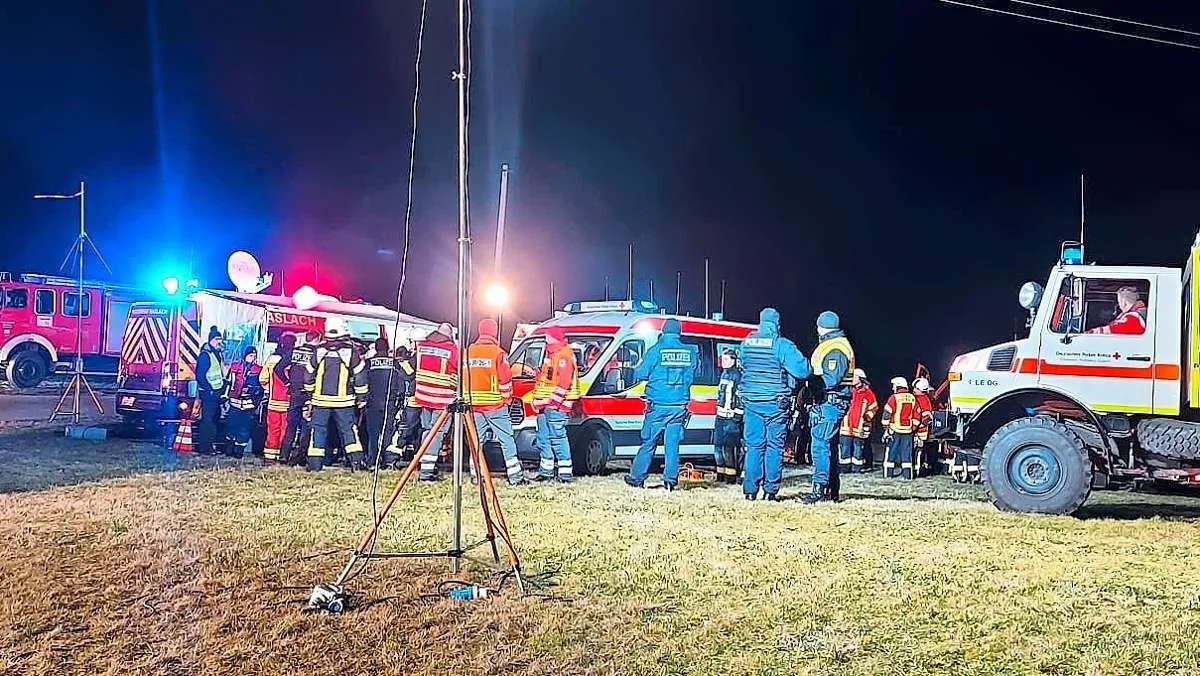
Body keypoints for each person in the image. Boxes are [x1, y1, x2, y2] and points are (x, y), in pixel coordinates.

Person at [737, 308, 812, 501]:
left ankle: (750, 491)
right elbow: (803, 371)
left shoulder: (746, 343)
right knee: (774, 447)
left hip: (752, 402)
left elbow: (742, 366)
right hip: (775, 403)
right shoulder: (782, 345)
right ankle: (770, 491)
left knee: (753, 446)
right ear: (777, 324)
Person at [625, 318, 698, 491]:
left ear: (663, 331)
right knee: (672, 445)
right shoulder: (690, 352)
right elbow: (693, 373)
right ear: (678, 332)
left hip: (658, 406)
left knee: (648, 441)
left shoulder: (656, 350)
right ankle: (670, 481)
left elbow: (641, 374)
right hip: (679, 406)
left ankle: (637, 477)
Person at [802, 310, 856, 504]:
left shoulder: (835, 347)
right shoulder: (834, 344)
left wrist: (811, 383)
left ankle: (820, 490)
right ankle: (831, 491)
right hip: (831, 401)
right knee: (828, 446)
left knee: (820, 446)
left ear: (822, 326)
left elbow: (831, 378)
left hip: (830, 401)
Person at [466, 318, 525, 485]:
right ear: (494, 332)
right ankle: (515, 476)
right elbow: (505, 380)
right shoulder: (497, 353)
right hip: (494, 404)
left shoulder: (467, 352)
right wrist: (507, 399)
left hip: (474, 406)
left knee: (477, 440)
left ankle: (476, 475)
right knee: (506, 439)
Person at [304, 318, 368, 471]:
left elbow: (308, 374)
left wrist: (310, 392)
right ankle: (356, 464)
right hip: (344, 401)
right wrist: (362, 397)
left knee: (318, 430)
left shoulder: (318, 350)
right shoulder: (351, 351)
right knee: (348, 431)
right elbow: (360, 376)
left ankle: (314, 465)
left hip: (320, 400)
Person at [531, 326, 580, 482]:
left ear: (554, 337)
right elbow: (549, 378)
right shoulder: (552, 354)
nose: (545, 338)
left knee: (558, 437)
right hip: (545, 405)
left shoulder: (564, 355)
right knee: (543, 438)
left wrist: (553, 402)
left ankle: (565, 474)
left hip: (555, 405)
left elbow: (564, 382)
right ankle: (546, 471)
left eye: (547, 336)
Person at [414, 323, 459, 481]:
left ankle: (422, 464)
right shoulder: (452, 350)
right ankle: (426, 471)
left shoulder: (422, 346)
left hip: (423, 396)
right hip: (441, 398)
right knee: (437, 433)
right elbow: (458, 372)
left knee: (427, 430)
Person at [282, 330, 320, 466]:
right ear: (317, 338)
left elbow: (278, 368)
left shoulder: (294, 351)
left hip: (294, 392)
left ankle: (284, 455)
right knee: (306, 426)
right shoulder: (317, 353)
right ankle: (300, 457)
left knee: (291, 426)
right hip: (309, 394)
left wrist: (288, 382)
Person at [260, 334, 295, 464]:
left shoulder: (271, 359)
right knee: (285, 430)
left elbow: (262, 379)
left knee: (272, 429)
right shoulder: (291, 359)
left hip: (273, 402)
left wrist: (270, 390)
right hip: (288, 402)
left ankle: (269, 457)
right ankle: (282, 454)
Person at [384, 345, 421, 465]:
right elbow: (408, 374)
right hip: (418, 399)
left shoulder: (414, 359)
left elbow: (407, 374)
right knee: (408, 429)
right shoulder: (411, 361)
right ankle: (393, 457)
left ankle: (394, 457)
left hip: (414, 399)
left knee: (407, 429)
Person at [224, 346, 263, 459]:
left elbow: (259, 387)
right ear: (245, 355)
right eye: (251, 355)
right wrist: (226, 396)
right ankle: (229, 448)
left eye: (254, 356)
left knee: (244, 429)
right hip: (235, 402)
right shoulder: (235, 367)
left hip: (248, 404)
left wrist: (252, 391)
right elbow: (228, 382)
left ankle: (239, 451)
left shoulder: (258, 369)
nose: (253, 358)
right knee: (231, 426)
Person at [713, 349, 744, 484]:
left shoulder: (737, 376)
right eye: (722, 359)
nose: (723, 362)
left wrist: (737, 416)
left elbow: (740, 397)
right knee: (718, 446)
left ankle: (731, 477)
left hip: (731, 418)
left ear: (733, 360)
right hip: (720, 416)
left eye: (726, 359)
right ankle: (720, 475)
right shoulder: (723, 374)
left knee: (729, 448)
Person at [193, 326, 225, 455]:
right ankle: (205, 447)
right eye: (218, 339)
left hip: (215, 393)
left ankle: (209, 445)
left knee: (214, 420)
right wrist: (209, 389)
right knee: (208, 421)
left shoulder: (216, 354)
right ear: (211, 340)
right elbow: (200, 375)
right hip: (208, 394)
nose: (220, 342)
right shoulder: (205, 355)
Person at [838, 368, 877, 474]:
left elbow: (874, 407)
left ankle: (856, 469)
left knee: (858, 449)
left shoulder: (868, 393)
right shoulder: (847, 390)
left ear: (861, 379)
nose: (852, 379)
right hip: (846, 425)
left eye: (854, 377)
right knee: (844, 448)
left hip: (859, 427)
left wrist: (867, 418)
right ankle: (844, 469)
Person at [881, 377, 919, 479]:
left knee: (891, 454)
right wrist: (913, 428)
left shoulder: (894, 398)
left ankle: (888, 475)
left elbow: (887, 414)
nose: (893, 388)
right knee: (907, 454)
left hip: (895, 430)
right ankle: (907, 476)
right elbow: (917, 415)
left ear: (897, 386)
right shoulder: (912, 398)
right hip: (908, 431)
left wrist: (886, 428)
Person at [912, 377, 935, 477]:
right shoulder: (918, 398)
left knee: (919, 451)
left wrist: (918, 426)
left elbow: (928, 417)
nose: (913, 390)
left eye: (915, 388)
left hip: (920, 432)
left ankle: (918, 471)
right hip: (916, 430)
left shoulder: (924, 400)